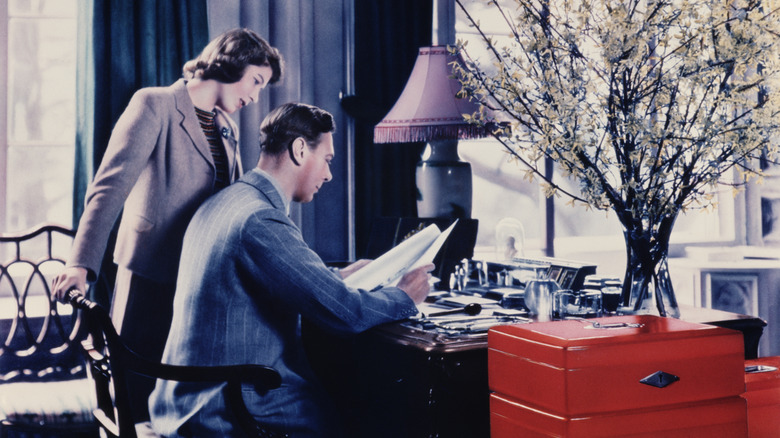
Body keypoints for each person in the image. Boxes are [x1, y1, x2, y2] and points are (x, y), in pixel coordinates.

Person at [148, 103, 433, 437]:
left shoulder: (227, 201)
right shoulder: (260, 219)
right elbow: (346, 314)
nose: (328, 174)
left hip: (184, 401)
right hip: (229, 410)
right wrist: (403, 296)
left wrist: (338, 277)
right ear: (299, 149)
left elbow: (273, 275)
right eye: (326, 159)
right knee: (369, 416)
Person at [52, 28, 283, 419]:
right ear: (235, 62)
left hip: (201, 282)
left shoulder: (227, 126)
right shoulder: (155, 104)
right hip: (149, 272)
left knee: (182, 399)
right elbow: (109, 186)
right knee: (134, 393)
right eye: (256, 81)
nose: (255, 97)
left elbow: (233, 204)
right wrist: (80, 263)